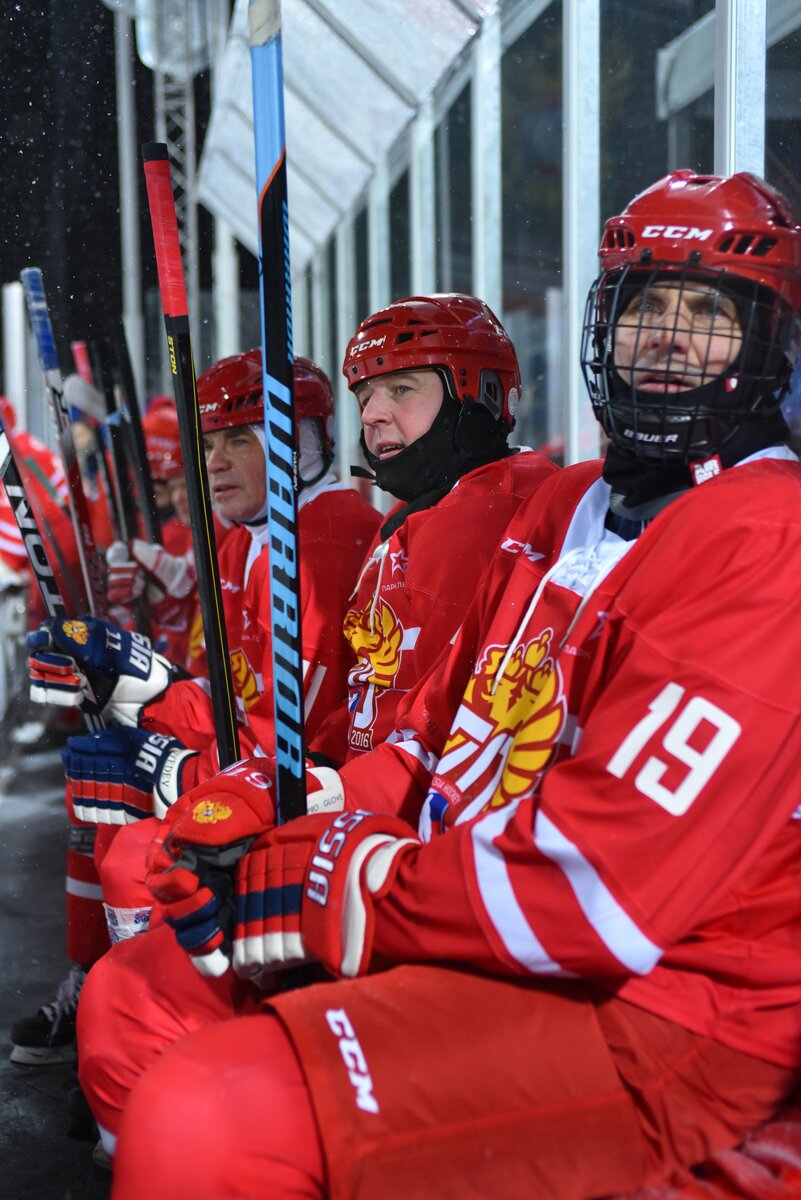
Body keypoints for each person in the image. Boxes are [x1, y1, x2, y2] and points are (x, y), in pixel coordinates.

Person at [86, 171, 801, 1200]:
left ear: (768, 341)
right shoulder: (562, 509)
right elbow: (433, 740)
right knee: (138, 997)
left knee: (210, 1116)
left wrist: (342, 880)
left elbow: (599, 892)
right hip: (472, 911)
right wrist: (298, 801)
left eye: (709, 314)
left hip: (659, 1008)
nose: (669, 339)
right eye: (646, 307)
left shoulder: (765, 533)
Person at [73, 293, 557, 1152]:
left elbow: (417, 741)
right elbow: (343, 713)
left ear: (480, 390)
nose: (374, 414)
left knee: (138, 913)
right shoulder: (408, 519)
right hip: (370, 814)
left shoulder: (465, 518)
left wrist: (222, 772)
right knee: (129, 881)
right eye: (364, 394)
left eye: (401, 389)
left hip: (416, 856)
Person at [10, 351, 379, 1063]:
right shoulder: (248, 539)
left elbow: (293, 735)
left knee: (134, 852)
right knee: (98, 794)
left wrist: (173, 767)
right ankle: (110, 999)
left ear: (303, 442)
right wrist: (133, 683)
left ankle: (167, 1043)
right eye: (207, 444)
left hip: (315, 789)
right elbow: (231, 694)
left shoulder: (320, 539)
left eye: (239, 439)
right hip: (258, 760)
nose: (214, 463)